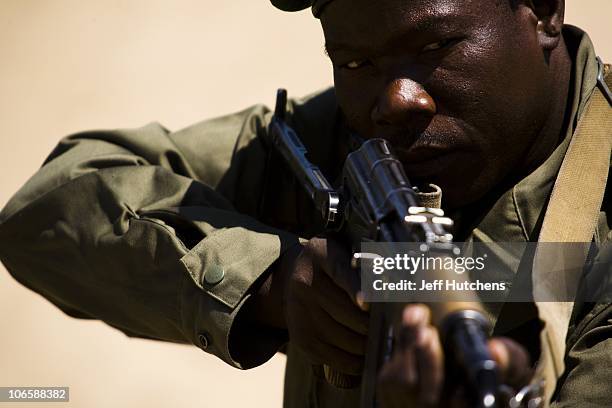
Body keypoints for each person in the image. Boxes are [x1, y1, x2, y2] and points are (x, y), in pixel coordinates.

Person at [0, 0, 610, 406]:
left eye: (435, 46)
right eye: (355, 61)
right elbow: (47, 210)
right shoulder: (338, 142)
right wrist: (268, 281)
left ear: (543, 9)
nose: (396, 100)